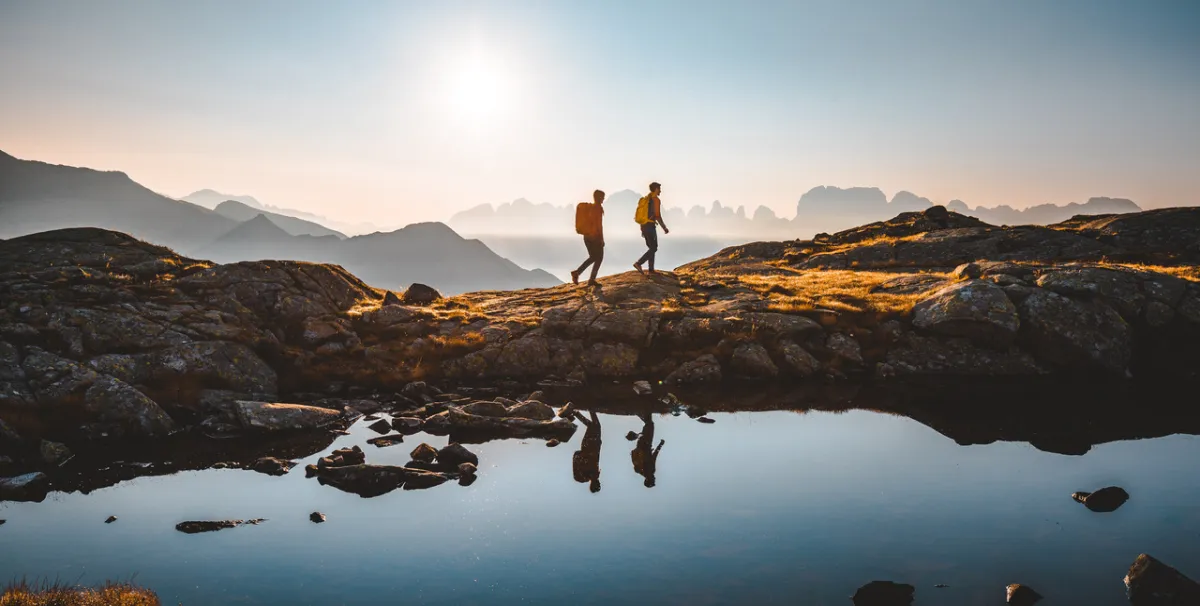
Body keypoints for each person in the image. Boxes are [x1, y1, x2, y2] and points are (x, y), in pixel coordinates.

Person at [571, 190, 606, 287]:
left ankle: (577, 273)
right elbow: (599, 225)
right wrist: (602, 239)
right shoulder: (598, 208)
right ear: (599, 198)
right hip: (595, 237)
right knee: (599, 257)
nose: (603, 199)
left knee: (593, 257)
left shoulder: (590, 208)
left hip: (586, 236)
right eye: (602, 197)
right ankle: (591, 279)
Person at [633, 182, 669, 275]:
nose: (660, 191)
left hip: (644, 226)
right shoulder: (655, 200)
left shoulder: (647, 199)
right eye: (659, 189)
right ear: (656, 189)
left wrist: (642, 228)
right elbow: (657, 215)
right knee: (654, 248)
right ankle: (639, 263)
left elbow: (644, 215)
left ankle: (651, 269)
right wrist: (664, 227)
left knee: (651, 247)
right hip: (650, 226)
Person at [630, 410, 665, 487]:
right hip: (647, 444)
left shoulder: (641, 470)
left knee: (649, 425)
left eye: (653, 480)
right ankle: (645, 410)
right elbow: (654, 456)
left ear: (648, 480)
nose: (655, 479)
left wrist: (660, 445)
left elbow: (654, 456)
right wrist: (660, 445)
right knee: (649, 425)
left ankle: (640, 411)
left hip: (643, 445)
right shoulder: (650, 470)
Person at [572, 410, 602, 493]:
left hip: (589, 446)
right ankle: (579, 412)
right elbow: (596, 458)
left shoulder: (586, 475)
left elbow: (590, 459)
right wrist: (599, 445)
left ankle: (590, 408)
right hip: (594, 445)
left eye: (597, 484)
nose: (599, 483)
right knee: (592, 425)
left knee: (595, 425)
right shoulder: (594, 475)